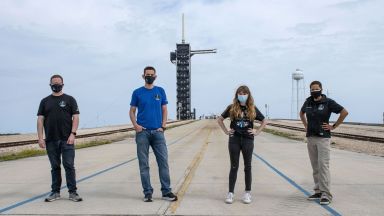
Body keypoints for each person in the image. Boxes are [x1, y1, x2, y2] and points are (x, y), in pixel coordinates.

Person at [129, 66, 178, 202]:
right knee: (144, 164)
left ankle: (166, 192)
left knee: (163, 163)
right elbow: (132, 111)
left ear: (155, 76)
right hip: (142, 133)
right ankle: (147, 192)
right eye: (147, 74)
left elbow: (164, 109)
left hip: (158, 133)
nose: (149, 76)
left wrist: (163, 126)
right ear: (143, 76)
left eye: (151, 74)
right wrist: (136, 126)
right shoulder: (137, 92)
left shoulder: (160, 91)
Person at [300, 81, 348, 205]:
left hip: (323, 139)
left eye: (317, 88)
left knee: (323, 166)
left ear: (321, 89)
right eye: (312, 89)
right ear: (310, 90)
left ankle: (326, 194)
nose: (314, 91)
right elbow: (301, 113)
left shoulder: (328, 102)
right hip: (311, 138)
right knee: (315, 167)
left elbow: (344, 112)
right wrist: (306, 126)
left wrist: (334, 126)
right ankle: (318, 191)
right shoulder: (308, 102)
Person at [217, 85, 267, 204]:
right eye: (240, 93)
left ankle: (247, 193)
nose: (242, 95)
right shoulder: (232, 107)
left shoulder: (252, 108)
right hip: (234, 139)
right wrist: (226, 131)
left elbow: (264, 120)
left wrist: (257, 131)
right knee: (234, 166)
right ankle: (230, 193)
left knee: (247, 167)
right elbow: (219, 119)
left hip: (247, 140)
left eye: (244, 93)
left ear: (248, 95)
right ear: (237, 95)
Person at [37, 74, 83, 202]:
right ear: (50, 85)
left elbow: (76, 117)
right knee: (55, 166)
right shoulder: (44, 101)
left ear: (62, 84)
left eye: (58, 83)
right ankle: (55, 192)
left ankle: (73, 192)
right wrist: (41, 138)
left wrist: (73, 134)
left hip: (67, 139)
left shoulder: (70, 99)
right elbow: (40, 120)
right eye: (54, 83)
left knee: (69, 165)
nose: (56, 85)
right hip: (51, 139)